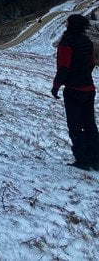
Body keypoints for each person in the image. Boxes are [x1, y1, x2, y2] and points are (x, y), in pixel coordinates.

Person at [52, 13, 99, 171]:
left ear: (71, 25)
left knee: (75, 125)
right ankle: (95, 159)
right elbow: (92, 63)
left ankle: (82, 160)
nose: (65, 24)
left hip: (73, 90)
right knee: (90, 124)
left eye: (67, 22)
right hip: (89, 88)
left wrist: (56, 86)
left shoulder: (66, 43)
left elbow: (63, 68)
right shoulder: (87, 41)